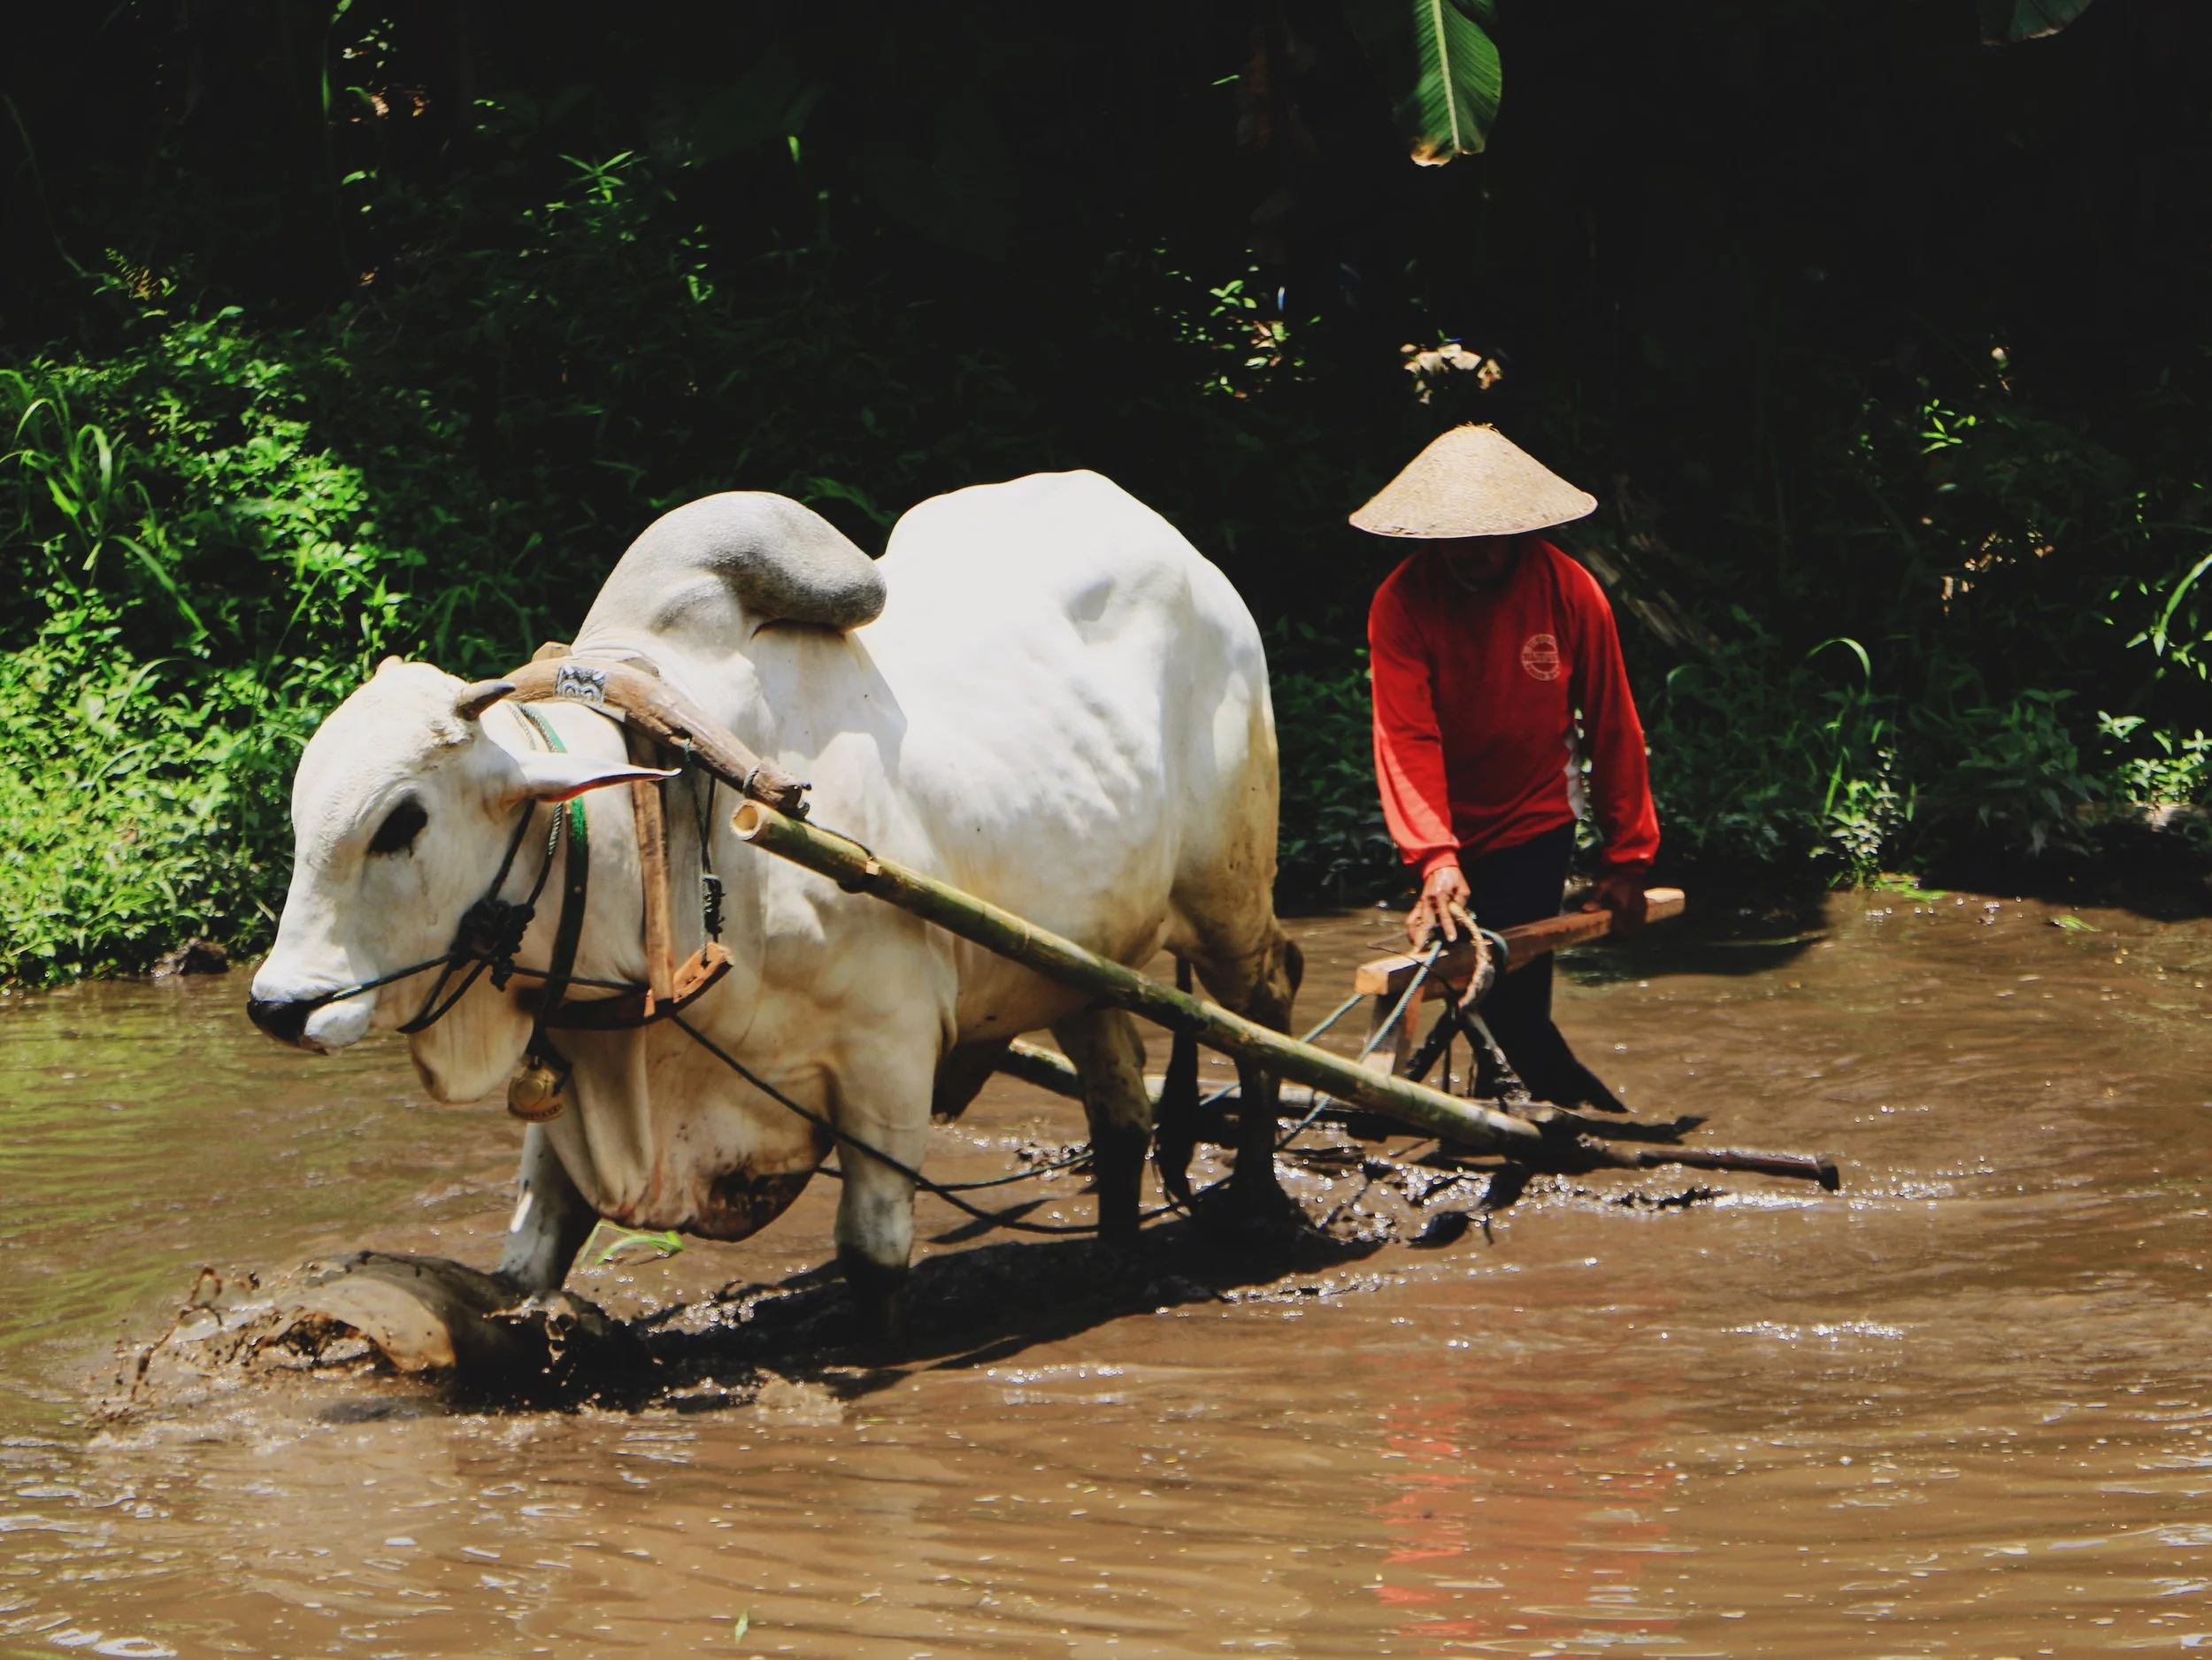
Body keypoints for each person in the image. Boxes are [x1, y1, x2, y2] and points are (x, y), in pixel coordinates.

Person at [1355, 424, 1658, 1112]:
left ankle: (1594, 1128)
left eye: (1490, 535)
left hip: (1534, 817)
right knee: (1465, 985)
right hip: (1441, 824)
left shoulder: (1571, 591)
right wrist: (1435, 857)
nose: (1475, 552)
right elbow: (1405, 737)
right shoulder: (1401, 603)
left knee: (1512, 1010)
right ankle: (1507, 1123)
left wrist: (1629, 859)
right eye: (1458, 537)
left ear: (1520, 530)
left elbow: (1612, 724)